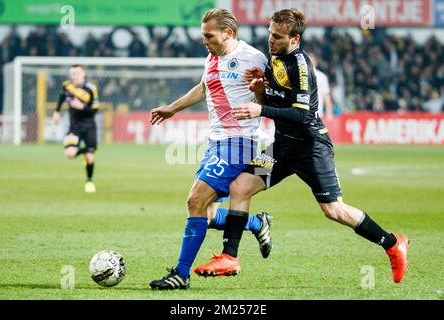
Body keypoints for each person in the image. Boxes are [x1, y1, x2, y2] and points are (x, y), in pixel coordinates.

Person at [193, 8, 409, 284]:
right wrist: (261, 85)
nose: (271, 40)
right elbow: (277, 96)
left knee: (334, 210)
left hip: (310, 148)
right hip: (282, 148)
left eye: (278, 37)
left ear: (295, 39)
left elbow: (302, 114)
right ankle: (229, 257)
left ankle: (392, 243)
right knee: (240, 187)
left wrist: (260, 109)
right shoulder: (275, 57)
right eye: (270, 34)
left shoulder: (301, 66)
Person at [148, 8, 272, 290]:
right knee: (204, 212)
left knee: (195, 200)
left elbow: (267, 100)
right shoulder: (212, 57)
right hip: (216, 142)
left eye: (209, 36)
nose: (204, 41)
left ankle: (181, 274)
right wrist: (172, 108)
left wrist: (260, 88)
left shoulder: (253, 58)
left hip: (241, 142)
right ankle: (256, 223)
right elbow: (204, 87)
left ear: (228, 33)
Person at [53, 64, 99, 193]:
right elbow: (62, 96)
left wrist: (82, 107)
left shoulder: (91, 89)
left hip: (89, 126)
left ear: (83, 74)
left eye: (78, 73)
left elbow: (95, 110)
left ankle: (89, 181)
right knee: (70, 154)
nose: (75, 76)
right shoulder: (67, 86)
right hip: (74, 127)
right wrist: (57, 111)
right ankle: (88, 150)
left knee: (90, 158)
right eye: (73, 73)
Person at [308, 52, 334, 122]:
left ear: (315, 62)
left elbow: (326, 95)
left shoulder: (321, 77)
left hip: (317, 112)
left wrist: (329, 112)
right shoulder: (299, 76)